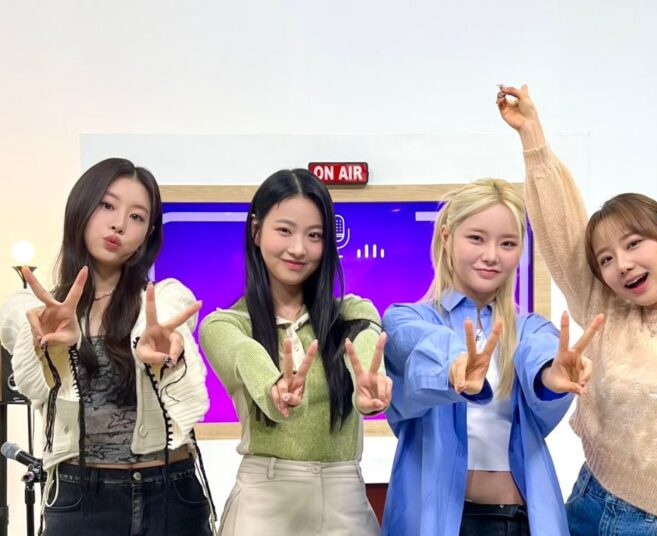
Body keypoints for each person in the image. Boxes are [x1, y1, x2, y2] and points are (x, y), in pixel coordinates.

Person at [498, 84, 657, 535]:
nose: (622, 264)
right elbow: (562, 233)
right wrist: (532, 138)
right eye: (606, 259)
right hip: (583, 504)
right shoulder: (606, 313)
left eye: (634, 244)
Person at [0, 158, 213, 535]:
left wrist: (162, 346)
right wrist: (48, 344)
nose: (119, 224)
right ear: (81, 207)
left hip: (171, 494)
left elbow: (173, 317)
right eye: (108, 205)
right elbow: (19, 332)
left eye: (137, 216)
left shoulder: (163, 298)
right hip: (81, 499)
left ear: (148, 233)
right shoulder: (35, 309)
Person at [380, 177, 603, 536]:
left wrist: (551, 375)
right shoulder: (406, 318)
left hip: (520, 522)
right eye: (477, 238)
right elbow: (420, 346)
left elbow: (539, 355)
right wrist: (455, 365)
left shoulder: (530, 328)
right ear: (447, 237)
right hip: (439, 524)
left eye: (507, 243)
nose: (492, 255)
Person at [199, 169, 391, 536]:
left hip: (344, 500)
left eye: (314, 235)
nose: (299, 248)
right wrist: (275, 390)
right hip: (264, 502)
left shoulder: (354, 311)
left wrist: (369, 383)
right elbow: (243, 354)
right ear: (256, 231)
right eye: (285, 230)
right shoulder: (225, 324)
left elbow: (366, 344)